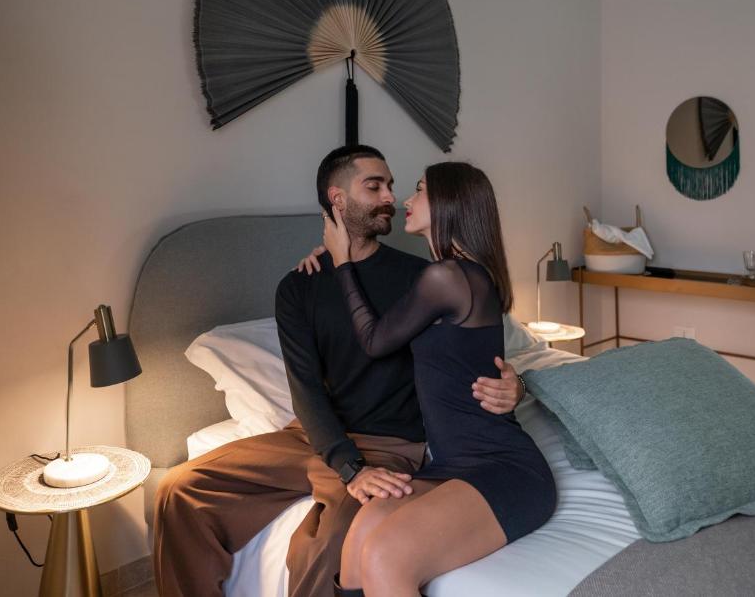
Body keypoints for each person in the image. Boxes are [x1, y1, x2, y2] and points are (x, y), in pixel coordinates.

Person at [152, 145, 525, 597]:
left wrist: (515, 382)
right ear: (338, 199)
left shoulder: (422, 277)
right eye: (376, 185)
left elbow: (466, 355)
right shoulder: (298, 287)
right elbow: (304, 388)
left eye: (392, 185)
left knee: (328, 546)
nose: (391, 196)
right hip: (310, 437)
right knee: (178, 488)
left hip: (390, 446)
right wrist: (345, 464)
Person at [323, 161, 557, 597]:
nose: (406, 201)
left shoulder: (448, 277)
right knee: (361, 534)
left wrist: (341, 262)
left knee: (384, 554)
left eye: (419, 190)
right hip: (450, 464)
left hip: (500, 468)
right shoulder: (456, 276)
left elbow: (374, 341)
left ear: (450, 203)